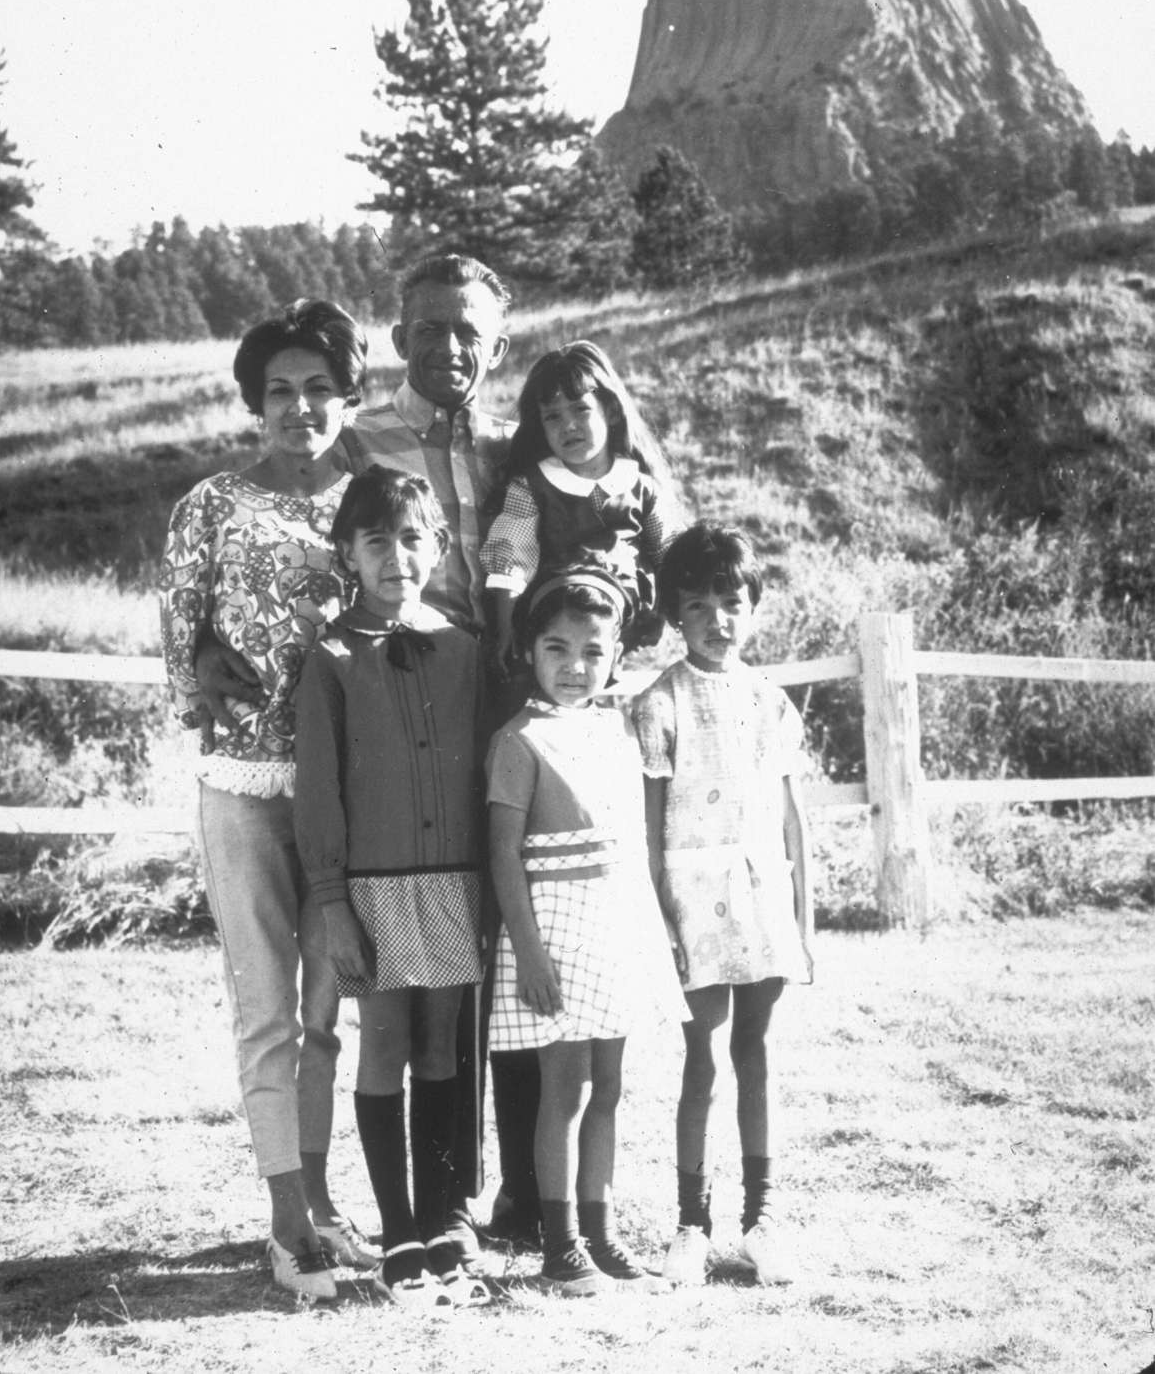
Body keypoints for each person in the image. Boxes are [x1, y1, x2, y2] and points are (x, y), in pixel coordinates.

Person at [189, 253, 537, 1248]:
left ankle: (493, 1198)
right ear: (398, 337)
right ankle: (418, 1207)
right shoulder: (360, 440)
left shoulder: (523, 447)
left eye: (469, 329)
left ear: (497, 342)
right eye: (428, 327)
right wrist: (215, 635)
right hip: (377, 719)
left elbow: (608, 528)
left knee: (487, 966)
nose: (449, 347)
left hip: (491, 709)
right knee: (400, 988)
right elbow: (280, 524)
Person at [158, 298, 376, 1301]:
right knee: (267, 1010)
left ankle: (327, 1206)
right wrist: (203, 660)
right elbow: (180, 649)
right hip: (245, 787)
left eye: (319, 389)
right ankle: (286, 1227)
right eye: (280, 391)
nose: (300, 407)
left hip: (348, 791)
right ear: (256, 401)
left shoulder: (375, 501)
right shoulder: (208, 505)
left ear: (347, 397)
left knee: (331, 1008)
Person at [293, 467, 490, 1310]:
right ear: (348, 552)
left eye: (413, 539)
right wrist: (332, 899)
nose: (396, 557)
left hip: (454, 880)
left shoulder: (464, 648)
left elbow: (487, 769)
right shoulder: (333, 659)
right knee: (383, 1045)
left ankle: (447, 1216)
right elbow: (318, 789)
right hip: (370, 886)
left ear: (437, 548)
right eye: (377, 541)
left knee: (442, 1044)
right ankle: (399, 1225)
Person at [487, 566, 686, 1296]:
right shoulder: (518, 739)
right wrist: (530, 953)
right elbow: (503, 854)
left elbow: (633, 841)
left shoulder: (615, 726)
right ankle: (560, 1242)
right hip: (556, 934)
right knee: (562, 1090)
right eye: (556, 648)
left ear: (615, 655)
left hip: (614, 927)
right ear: (530, 651)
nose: (575, 666)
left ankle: (601, 1232)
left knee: (610, 1085)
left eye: (592, 651)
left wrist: (650, 928)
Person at [632, 524, 815, 1288]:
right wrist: (659, 922)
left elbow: (793, 818)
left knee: (757, 1053)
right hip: (692, 901)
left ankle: (763, 1220)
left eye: (731, 602)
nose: (717, 619)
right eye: (698, 605)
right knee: (702, 1058)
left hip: (762, 892)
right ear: (676, 613)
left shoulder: (772, 703)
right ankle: (690, 1224)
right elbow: (647, 828)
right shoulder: (657, 703)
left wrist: (804, 921)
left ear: (753, 606)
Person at [480, 340, 681, 666]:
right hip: (560, 640)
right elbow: (511, 562)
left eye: (580, 409)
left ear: (611, 410)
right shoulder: (532, 487)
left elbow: (670, 556)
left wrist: (665, 613)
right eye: (553, 417)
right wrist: (506, 631)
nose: (568, 425)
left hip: (629, 638)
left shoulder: (640, 487)